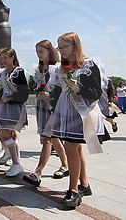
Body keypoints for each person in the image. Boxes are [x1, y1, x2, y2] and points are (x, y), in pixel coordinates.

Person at [51, 32, 103, 208]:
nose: (61, 50)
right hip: (67, 110)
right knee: (75, 148)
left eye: (64, 46)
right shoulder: (63, 67)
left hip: (82, 112)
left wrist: (78, 88)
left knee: (71, 147)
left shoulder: (88, 65)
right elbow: (60, 90)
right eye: (59, 47)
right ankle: (85, 185)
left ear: (75, 45)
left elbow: (96, 92)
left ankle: (73, 190)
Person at [22, 39, 69, 187]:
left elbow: (63, 88)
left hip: (54, 106)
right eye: (37, 52)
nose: (39, 54)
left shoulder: (57, 68)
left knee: (47, 138)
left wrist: (51, 95)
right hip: (42, 106)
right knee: (53, 137)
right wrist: (40, 94)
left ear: (50, 51)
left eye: (41, 51)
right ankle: (65, 165)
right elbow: (37, 87)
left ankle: (37, 172)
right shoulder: (38, 69)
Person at [0, 48, 29, 177]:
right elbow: (1, 89)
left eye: (5, 58)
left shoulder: (18, 72)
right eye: (1, 58)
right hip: (5, 106)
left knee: (6, 132)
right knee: (5, 132)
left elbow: (23, 92)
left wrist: (10, 99)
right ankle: (15, 160)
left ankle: (16, 162)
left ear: (12, 57)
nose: (3, 60)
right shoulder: (4, 73)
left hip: (14, 106)